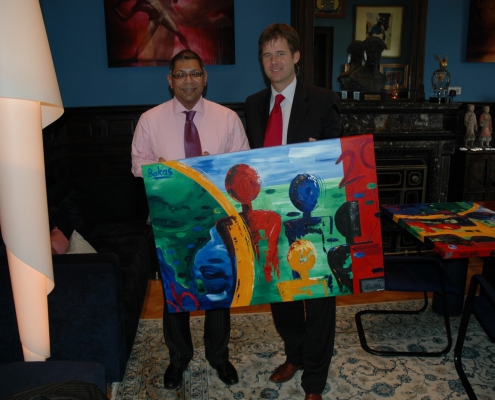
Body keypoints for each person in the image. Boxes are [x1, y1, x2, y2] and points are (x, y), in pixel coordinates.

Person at [131, 49, 250, 390]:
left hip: (215, 221)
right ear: (170, 80)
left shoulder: (227, 118)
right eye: (181, 74)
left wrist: (216, 167)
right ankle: (178, 357)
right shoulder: (150, 120)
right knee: (175, 291)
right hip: (168, 220)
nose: (188, 80)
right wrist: (162, 170)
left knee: (218, 287)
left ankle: (219, 356)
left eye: (195, 73)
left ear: (205, 78)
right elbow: (137, 163)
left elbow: (241, 165)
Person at [244, 23, 343, 400]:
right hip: (271, 216)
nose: (274, 61)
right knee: (280, 295)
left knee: (318, 300)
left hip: (311, 213)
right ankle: (295, 355)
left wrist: (321, 153)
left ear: (296, 56)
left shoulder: (322, 99)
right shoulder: (254, 104)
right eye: (267, 55)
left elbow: (340, 157)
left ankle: (314, 380)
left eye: (280, 53)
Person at [114, 0, 189, 61]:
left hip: (163, 16)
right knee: (145, 40)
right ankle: (135, 57)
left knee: (178, 32)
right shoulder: (137, 6)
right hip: (153, 20)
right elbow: (124, 19)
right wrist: (115, 9)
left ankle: (189, 51)